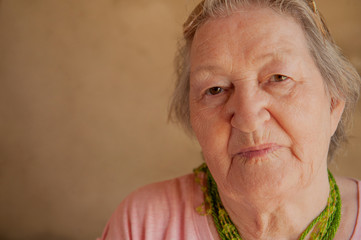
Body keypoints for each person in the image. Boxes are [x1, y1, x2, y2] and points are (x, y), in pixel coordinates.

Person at [98, 0, 361, 239]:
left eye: (279, 78)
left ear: (334, 103)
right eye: (215, 89)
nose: (248, 120)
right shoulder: (142, 224)